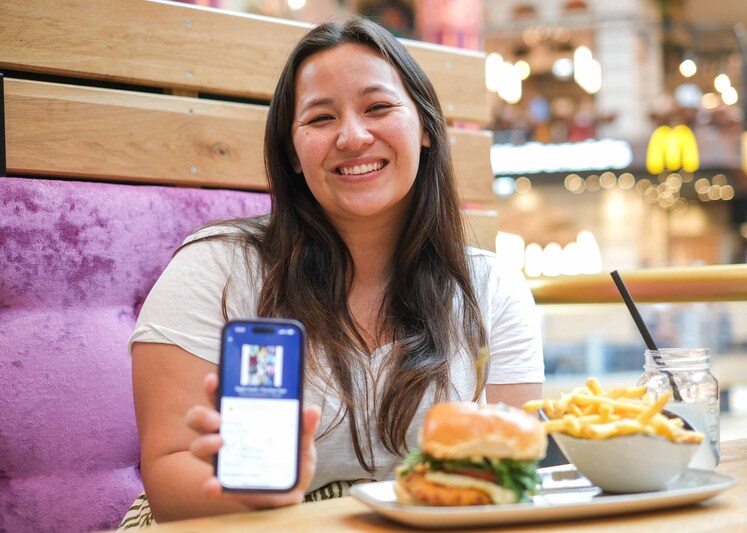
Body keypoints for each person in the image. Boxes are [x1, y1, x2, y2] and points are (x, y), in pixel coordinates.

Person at [125, 15, 544, 525]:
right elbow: (169, 482)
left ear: (427, 130)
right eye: (321, 118)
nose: (352, 136)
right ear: (293, 154)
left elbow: (513, 475)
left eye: (379, 107)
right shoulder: (216, 268)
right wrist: (266, 489)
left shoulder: (491, 288)